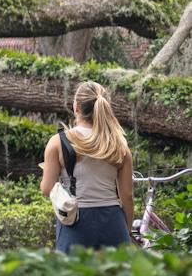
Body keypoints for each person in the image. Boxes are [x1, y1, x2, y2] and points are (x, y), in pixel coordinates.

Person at [40, 81, 134, 252]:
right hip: (113, 222)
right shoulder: (119, 144)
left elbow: (47, 188)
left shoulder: (58, 142)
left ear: (76, 107)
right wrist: (126, 230)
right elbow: (127, 195)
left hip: (76, 221)